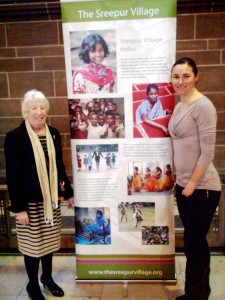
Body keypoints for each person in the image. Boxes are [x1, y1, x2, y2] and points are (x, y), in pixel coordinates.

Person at [4, 90, 74, 300]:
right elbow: (13, 175)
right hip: (29, 203)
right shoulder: (15, 137)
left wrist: (68, 193)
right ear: (26, 112)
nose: (39, 112)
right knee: (33, 246)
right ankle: (33, 285)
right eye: (34, 108)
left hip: (50, 200)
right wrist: (19, 209)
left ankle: (47, 278)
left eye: (42, 107)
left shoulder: (52, 133)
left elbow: (59, 167)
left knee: (49, 244)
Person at [168, 57, 221, 300]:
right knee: (191, 244)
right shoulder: (180, 106)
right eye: (176, 76)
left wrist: (191, 183)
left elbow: (208, 151)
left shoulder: (203, 106)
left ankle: (198, 296)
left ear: (196, 76)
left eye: (186, 76)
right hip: (185, 185)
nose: (180, 81)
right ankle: (194, 293)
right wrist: (180, 181)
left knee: (196, 244)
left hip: (202, 187)